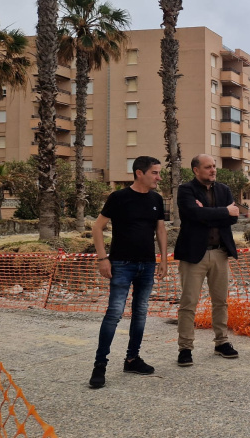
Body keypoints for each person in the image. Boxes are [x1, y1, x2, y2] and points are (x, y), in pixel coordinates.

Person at [89, 156, 168, 389]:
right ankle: (99, 366)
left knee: (141, 313)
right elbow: (97, 227)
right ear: (139, 173)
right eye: (154, 172)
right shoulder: (119, 198)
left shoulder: (156, 199)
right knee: (114, 313)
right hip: (121, 264)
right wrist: (103, 258)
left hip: (147, 264)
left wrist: (163, 260)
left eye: (158, 172)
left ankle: (132, 359)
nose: (158, 177)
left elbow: (161, 230)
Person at [174, 154, 240, 367]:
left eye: (214, 167)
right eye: (208, 167)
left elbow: (234, 217)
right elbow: (192, 214)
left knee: (221, 301)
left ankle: (221, 342)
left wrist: (206, 212)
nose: (213, 170)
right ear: (196, 170)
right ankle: (185, 348)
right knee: (188, 303)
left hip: (220, 253)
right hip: (194, 255)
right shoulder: (185, 190)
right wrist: (221, 212)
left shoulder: (224, 190)